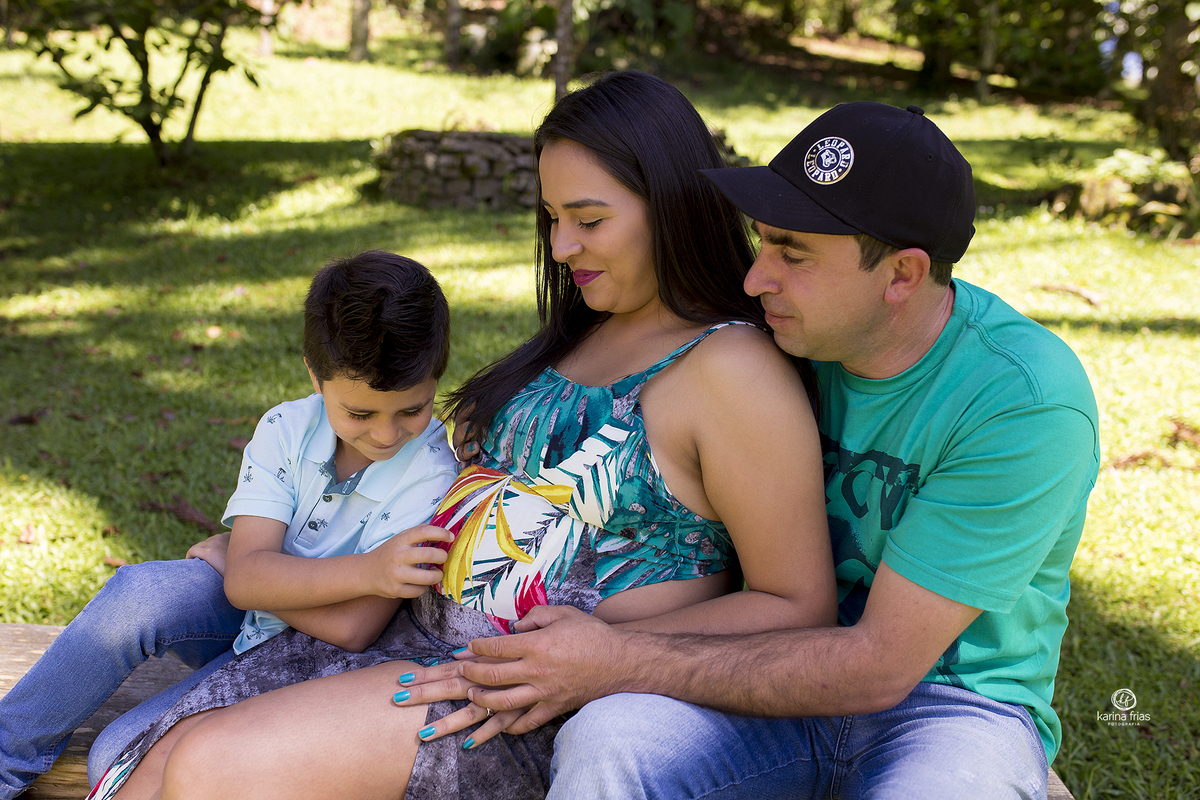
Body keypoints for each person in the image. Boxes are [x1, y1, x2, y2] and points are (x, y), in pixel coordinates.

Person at [86, 70, 837, 800]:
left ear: (671, 208)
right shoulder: (593, 327)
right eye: (551, 218)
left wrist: (612, 658)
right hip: (401, 637)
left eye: (588, 220)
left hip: (521, 698)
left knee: (211, 768)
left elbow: (797, 604)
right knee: (142, 770)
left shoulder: (730, 368)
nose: (561, 247)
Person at [402, 101, 1103, 799]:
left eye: (793, 255)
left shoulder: (1022, 401)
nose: (755, 278)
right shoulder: (790, 337)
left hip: (947, 706)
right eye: (763, 241)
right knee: (607, 742)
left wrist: (613, 659)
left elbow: (881, 665)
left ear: (902, 276)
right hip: (762, 682)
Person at [0, 250, 458, 799]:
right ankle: (5, 758)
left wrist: (242, 566)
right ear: (315, 376)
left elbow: (352, 629)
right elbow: (246, 583)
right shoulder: (286, 428)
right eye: (359, 414)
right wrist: (259, 575)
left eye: (412, 409)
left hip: (322, 664)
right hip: (251, 621)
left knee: (115, 751)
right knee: (139, 593)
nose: (386, 434)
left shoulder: (433, 472)